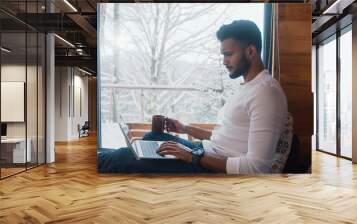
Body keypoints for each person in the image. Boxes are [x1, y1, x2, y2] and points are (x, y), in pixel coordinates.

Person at [98, 20, 290, 174]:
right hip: (206, 151)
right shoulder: (249, 86)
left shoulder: (267, 93)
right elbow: (226, 135)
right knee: (152, 137)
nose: (224, 61)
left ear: (250, 51)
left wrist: (191, 156)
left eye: (228, 54)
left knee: (123, 157)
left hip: (212, 165)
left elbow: (257, 167)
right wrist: (184, 128)